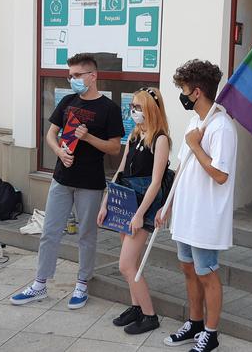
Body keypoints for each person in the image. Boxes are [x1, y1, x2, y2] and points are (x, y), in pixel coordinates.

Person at [11, 53, 124, 309]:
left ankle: (82, 283)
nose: (71, 79)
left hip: (90, 182)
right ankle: (40, 283)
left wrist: (88, 138)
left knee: (86, 234)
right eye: (70, 75)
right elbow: (52, 134)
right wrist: (59, 152)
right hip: (61, 178)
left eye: (76, 75)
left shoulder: (109, 109)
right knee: (49, 232)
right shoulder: (68, 102)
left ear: (92, 76)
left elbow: (115, 148)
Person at [157, 60, 237, 352]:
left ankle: (211, 333)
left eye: (184, 89)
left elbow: (220, 174)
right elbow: (181, 168)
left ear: (197, 92)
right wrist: (168, 204)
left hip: (206, 216)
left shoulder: (222, 127)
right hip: (185, 213)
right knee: (188, 270)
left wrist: (196, 146)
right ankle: (195, 323)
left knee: (207, 272)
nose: (182, 94)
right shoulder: (195, 122)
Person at [98, 87, 170, 334]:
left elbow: (156, 182)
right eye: (132, 107)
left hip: (143, 205)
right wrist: (106, 200)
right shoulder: (134, 135)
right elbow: (120, 170)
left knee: (126, 265)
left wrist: (140, 214)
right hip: (125, 200)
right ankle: (136, 306)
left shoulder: (160, 139)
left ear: (151, 109)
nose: (133, 112)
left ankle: (150, 315)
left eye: (138, 108)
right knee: (133, 261)